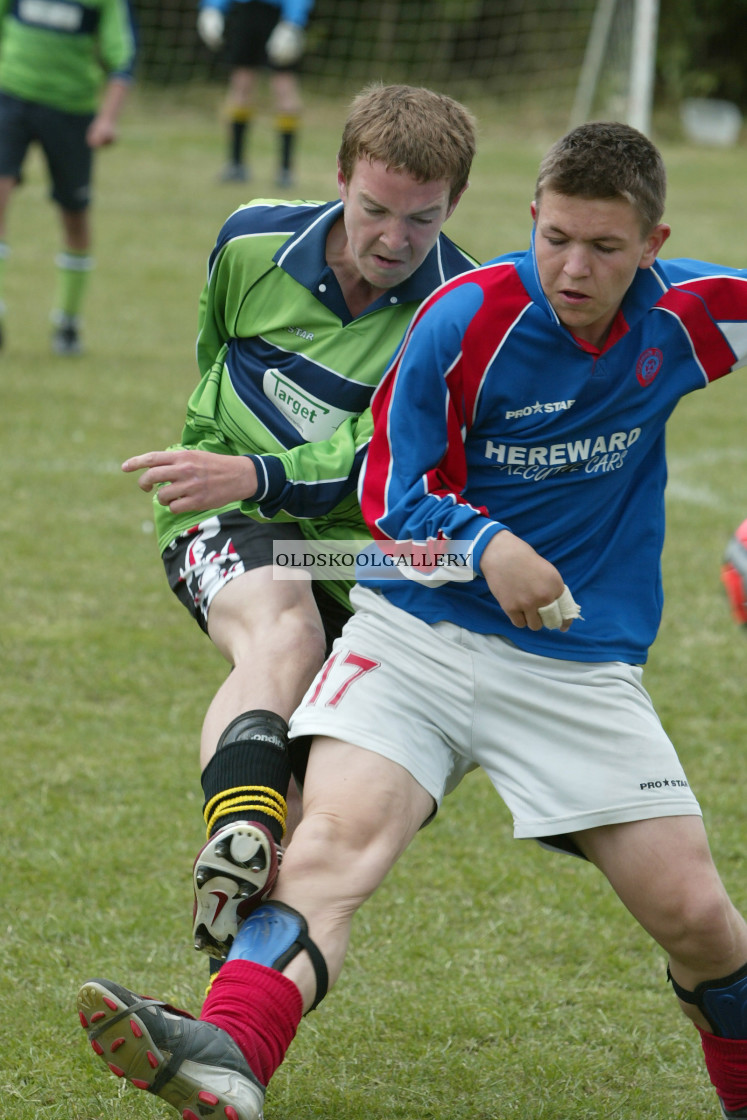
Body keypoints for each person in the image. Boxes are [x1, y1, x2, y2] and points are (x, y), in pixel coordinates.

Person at [79, 120, 747, 1120]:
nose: (572, 266)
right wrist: (488, 547)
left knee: (697, 917)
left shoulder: (690, 314)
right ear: (531, 217)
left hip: (578, 662)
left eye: (605, 248)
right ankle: (231, 1051)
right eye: (554, 236)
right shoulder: (464, 315)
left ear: (652, 246)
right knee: (334, 840)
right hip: (416, 634)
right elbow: (390, 490)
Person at [117, 84, 476, 971]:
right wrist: (232, 473)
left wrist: (260, 469)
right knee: (284, 628)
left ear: (454, 206)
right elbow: (217, 356)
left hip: (354, 549)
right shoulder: (249, 241)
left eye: (422, 220)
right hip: (225, 512)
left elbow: (383, 463)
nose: (394, 240)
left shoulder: (457, 311)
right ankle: (239, 827)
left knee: (324, 810)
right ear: (340, 177)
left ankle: (236, 970)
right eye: (374, 210)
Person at [0, 0, 135, 355]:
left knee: (74, 216)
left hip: (70, 109)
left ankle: (68, 322)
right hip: (9, 96)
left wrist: (107, 119)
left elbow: (123, 59)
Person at [196, 0, 314, 186]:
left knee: (284, 89)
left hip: (279, 16)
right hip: (245, 12)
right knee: (240, 87)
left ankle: (285, 169)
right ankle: (236, 165)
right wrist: (212, 8)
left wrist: (293, 22)